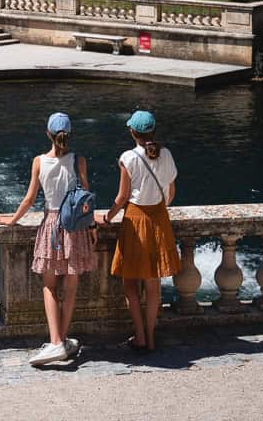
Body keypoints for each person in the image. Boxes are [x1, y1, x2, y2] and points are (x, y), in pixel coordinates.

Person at [0, 111, 96, 366]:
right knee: (70, 287)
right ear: (69, 135)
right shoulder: (79, 160)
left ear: (48, 134)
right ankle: (61, 340)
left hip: (52, 225)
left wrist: (12, 220)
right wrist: (93, 228)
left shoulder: (39, 161)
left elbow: (29, 198)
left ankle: (55, 343)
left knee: (49, 285)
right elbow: (86, 198)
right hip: (76, 228)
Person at [97, 109, 180, 354]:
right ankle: (152, 336)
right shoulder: (166, 154)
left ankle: (140, 336)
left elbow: (122, 197)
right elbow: (171, 193)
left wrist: (107, 216)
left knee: (130, 283)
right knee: (153, 284)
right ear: (153, 131)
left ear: (132, 132)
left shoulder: (128, 157)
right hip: (159, 218)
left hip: (135, 220)